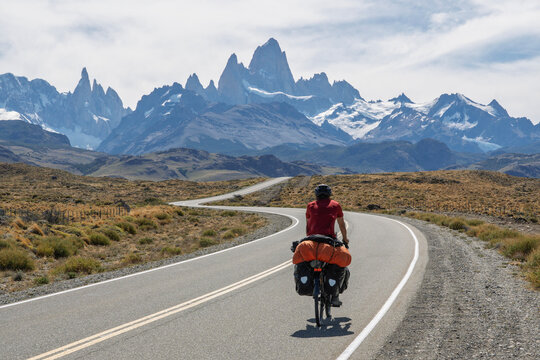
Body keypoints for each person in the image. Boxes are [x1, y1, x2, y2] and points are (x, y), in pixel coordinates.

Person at [305, 184, 350, 306]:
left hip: (311, 240)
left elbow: (308, 224)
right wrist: (345, 239)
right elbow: (341, 225)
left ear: (316, 194)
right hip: (329, 240)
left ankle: (312, 285)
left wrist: (307, 238)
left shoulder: (310, 206)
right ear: (329, 194)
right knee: (339, 264)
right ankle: (335, 295)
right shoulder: (335, 205)